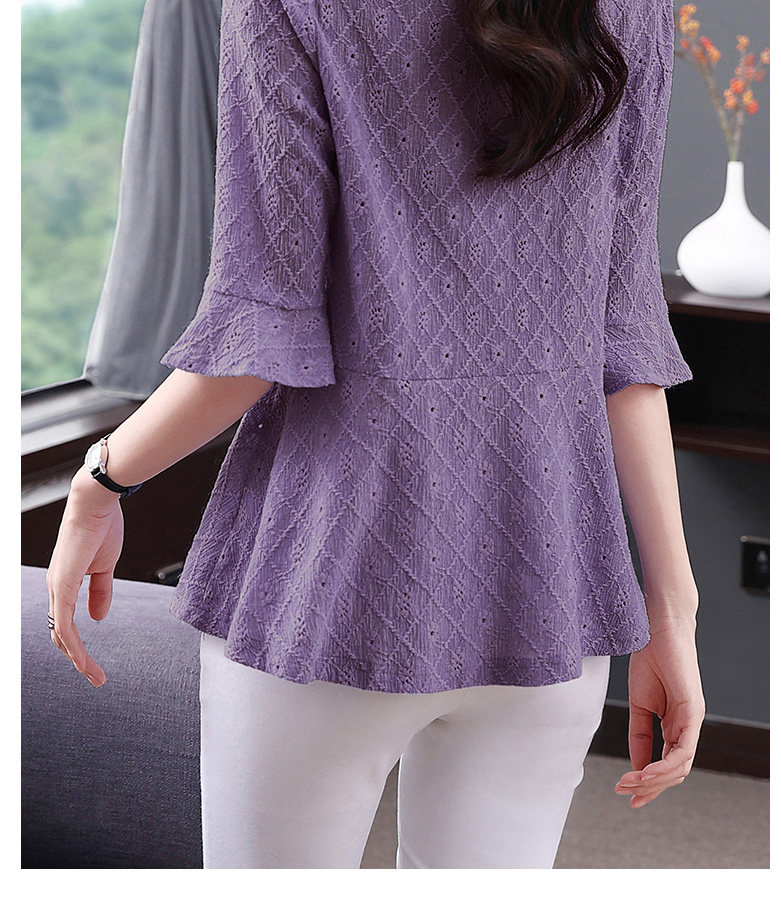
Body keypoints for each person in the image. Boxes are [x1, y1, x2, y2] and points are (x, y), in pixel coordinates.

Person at [45, 0, 706, 869]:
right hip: (549, 593)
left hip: (324, 586)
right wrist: (672, 611)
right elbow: (626, 343)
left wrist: (100, 480)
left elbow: (260, 335)